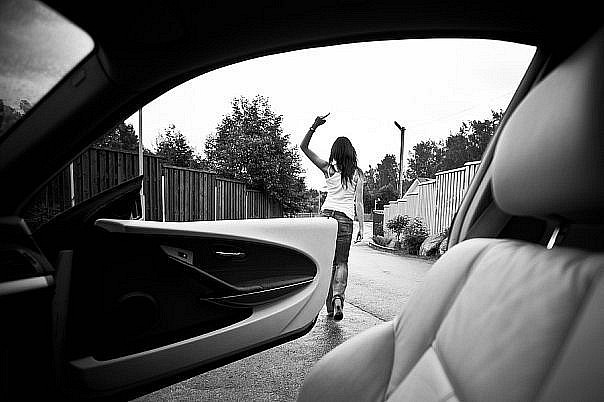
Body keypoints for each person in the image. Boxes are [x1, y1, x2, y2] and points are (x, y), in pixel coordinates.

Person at [300, 113, 364, 321]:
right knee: (341, 262)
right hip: (345, 219)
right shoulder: (358, 174)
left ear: (335, 152)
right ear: (351, 153)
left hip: (326, 218)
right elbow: (359, 203)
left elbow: (304, 147)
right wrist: (362, 228)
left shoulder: (328, 169)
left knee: (327, 263)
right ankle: (337, 299)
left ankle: (326, 306)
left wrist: (314, 126)